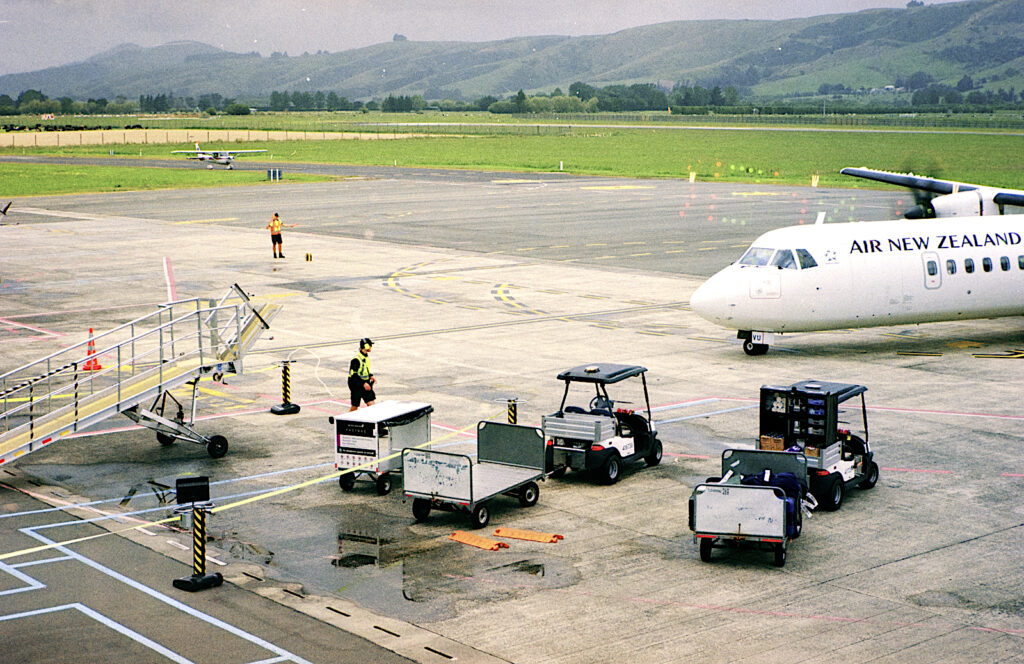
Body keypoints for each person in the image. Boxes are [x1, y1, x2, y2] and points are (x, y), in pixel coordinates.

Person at [348, 338, 376, 411]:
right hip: (356, 384)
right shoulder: (356, 359)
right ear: (366, 346)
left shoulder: (365, 356)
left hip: (365, 383)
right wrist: (363, 383)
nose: (371, 347)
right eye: (370, 345)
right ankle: (345, 421)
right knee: (355, 406)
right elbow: (353, 376)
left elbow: (365, 369)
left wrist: (370, 376)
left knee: (372, 404)